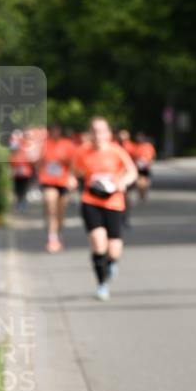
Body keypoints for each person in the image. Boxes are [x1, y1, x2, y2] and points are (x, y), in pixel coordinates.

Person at [73, 117, 138, 300]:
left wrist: (123, 182)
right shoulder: (82, 151)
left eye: (101, 131)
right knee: (97, 242)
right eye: (94, 131)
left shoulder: (116, 151)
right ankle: (102, 284)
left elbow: (132, 172)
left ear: (108, 133)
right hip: (91, 201)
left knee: (114, 250)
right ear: (89, 133)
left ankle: (111, 263)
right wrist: (73, 180)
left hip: (114, 203)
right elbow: (75, 172)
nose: (97, 135)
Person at [38, 125, 76, 252]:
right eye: (53, 130)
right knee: (51, 206)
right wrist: (39, 175)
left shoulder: (67, 144)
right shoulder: (44, 144)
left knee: (60, 212)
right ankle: (52, 238)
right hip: (48, 181)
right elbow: (38, 161)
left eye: (57, 130)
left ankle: (58, 233)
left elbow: (74, 162)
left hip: (63, 181)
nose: (55, 132)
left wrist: (71, 177)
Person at [8, 129, 33, 210]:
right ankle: (19, 202)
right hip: (17, 170)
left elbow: (30, 157)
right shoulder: (16, 144)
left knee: (24, 187)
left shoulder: (27, 144)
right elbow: (12, 155)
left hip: (25, 170)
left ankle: (23, 202)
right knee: (17, 187)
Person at [131, 133, 157, 201]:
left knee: (145, 179)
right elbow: (133, 156)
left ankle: (143, 190)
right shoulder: (135, 146)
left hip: (146, 166)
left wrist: (150, 162)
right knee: (139, 180)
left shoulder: (148, 146)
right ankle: (141, 191)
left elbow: (153, 155)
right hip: (138, 166)